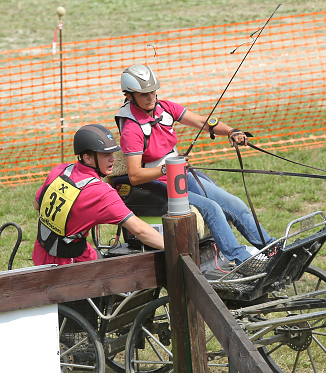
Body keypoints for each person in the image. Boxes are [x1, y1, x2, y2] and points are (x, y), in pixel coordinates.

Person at [114, 63, 273, 266]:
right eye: (144, 94)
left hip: (179, 175)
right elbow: (135, 176)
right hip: (157, 184)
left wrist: (231, 131)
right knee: (212, 209)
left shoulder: (165, 108)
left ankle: (273, 249)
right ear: (129, 96)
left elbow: (201, 122)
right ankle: (241, 260)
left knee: (235, 204)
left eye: (153, 92)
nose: (151, 97)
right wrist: (165, 169)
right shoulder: (131, 129)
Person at [32, 124, 165, 265]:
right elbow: (140, 230)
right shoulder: (101, 193)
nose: (113, 159)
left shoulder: (60, 170)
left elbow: (36, 205)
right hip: (67, 265)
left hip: (41, 253)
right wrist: (173, 247)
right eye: (106, 155)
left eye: (112, 154)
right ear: (87, 158)